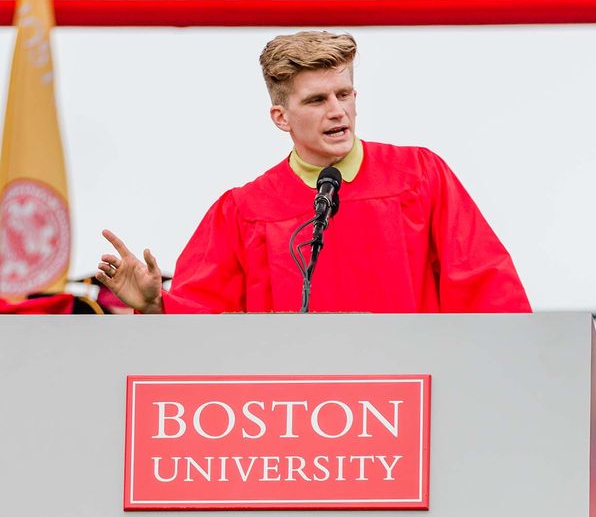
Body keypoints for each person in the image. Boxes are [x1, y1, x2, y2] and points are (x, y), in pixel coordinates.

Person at [97, 31, 530, 315]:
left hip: (416, 406)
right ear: (281, 117)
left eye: (344, 94)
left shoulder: (419, 176)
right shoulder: (244, 211)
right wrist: (156, 307)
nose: (338, 111)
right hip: (299, 424)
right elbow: (207, 321)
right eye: (317, 100)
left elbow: (486, 288)